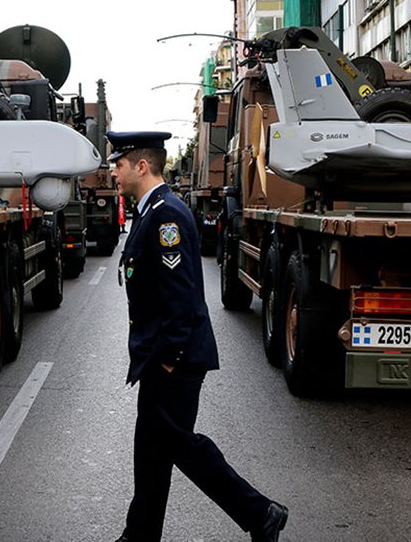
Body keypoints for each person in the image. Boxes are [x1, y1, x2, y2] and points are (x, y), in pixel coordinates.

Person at [109, 131, 288, 542]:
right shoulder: (150, 210)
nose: (113, 173)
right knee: (151, 449)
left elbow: (180, 293)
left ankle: (260, 513)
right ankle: (139, 534)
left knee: (178, 445)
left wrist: (169, 355)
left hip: (174, 357)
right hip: (161, 354)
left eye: (118, 165)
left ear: (141, 166)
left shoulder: (165, 216)